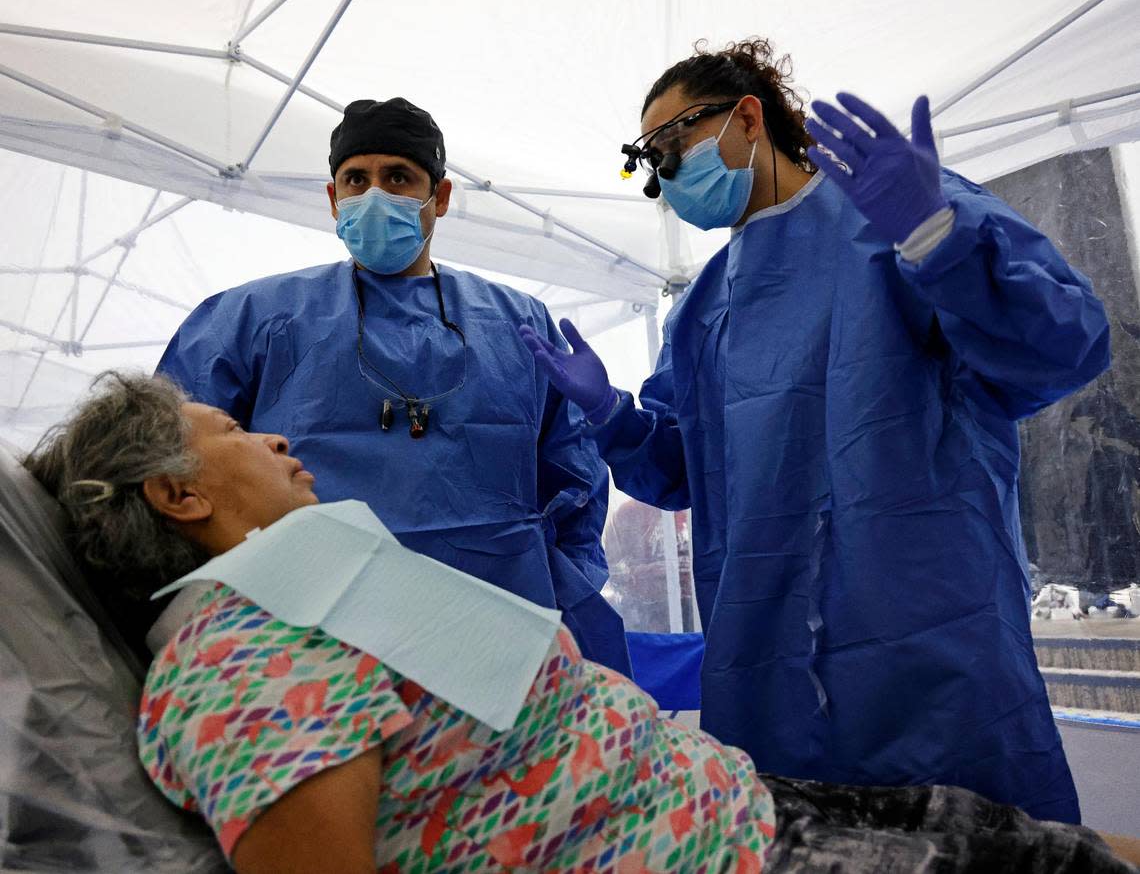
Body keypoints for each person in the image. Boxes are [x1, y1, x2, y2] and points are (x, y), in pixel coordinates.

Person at [23, 371, 1139, 873]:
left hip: (729, 807)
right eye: (230, 430)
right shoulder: (238, 669)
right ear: (177, 495)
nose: (272, 439)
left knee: (1056, 846)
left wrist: (604, 424)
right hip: (725, 853)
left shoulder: (311, 588)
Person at [520, 38, 1111, 824]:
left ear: (746, 117)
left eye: (672, 145)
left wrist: (938, 239)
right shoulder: (702, 309)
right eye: (649, 161)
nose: (664, 174)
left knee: (979, 841)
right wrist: (610, 414)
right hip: (768, 671)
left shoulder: (895, 218)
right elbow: (680, 469)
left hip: (930, 640)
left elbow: (1060, 346)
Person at [156, 97, 630, 676]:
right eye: (356, 179)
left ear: (442, 198)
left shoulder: (519, 324)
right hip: (315, 634)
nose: (374, 195)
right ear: (334, 199)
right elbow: (177, 467)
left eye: (399, 177)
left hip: (496, 627)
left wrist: (560, 594)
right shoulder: (252, 320)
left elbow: (575, 483)